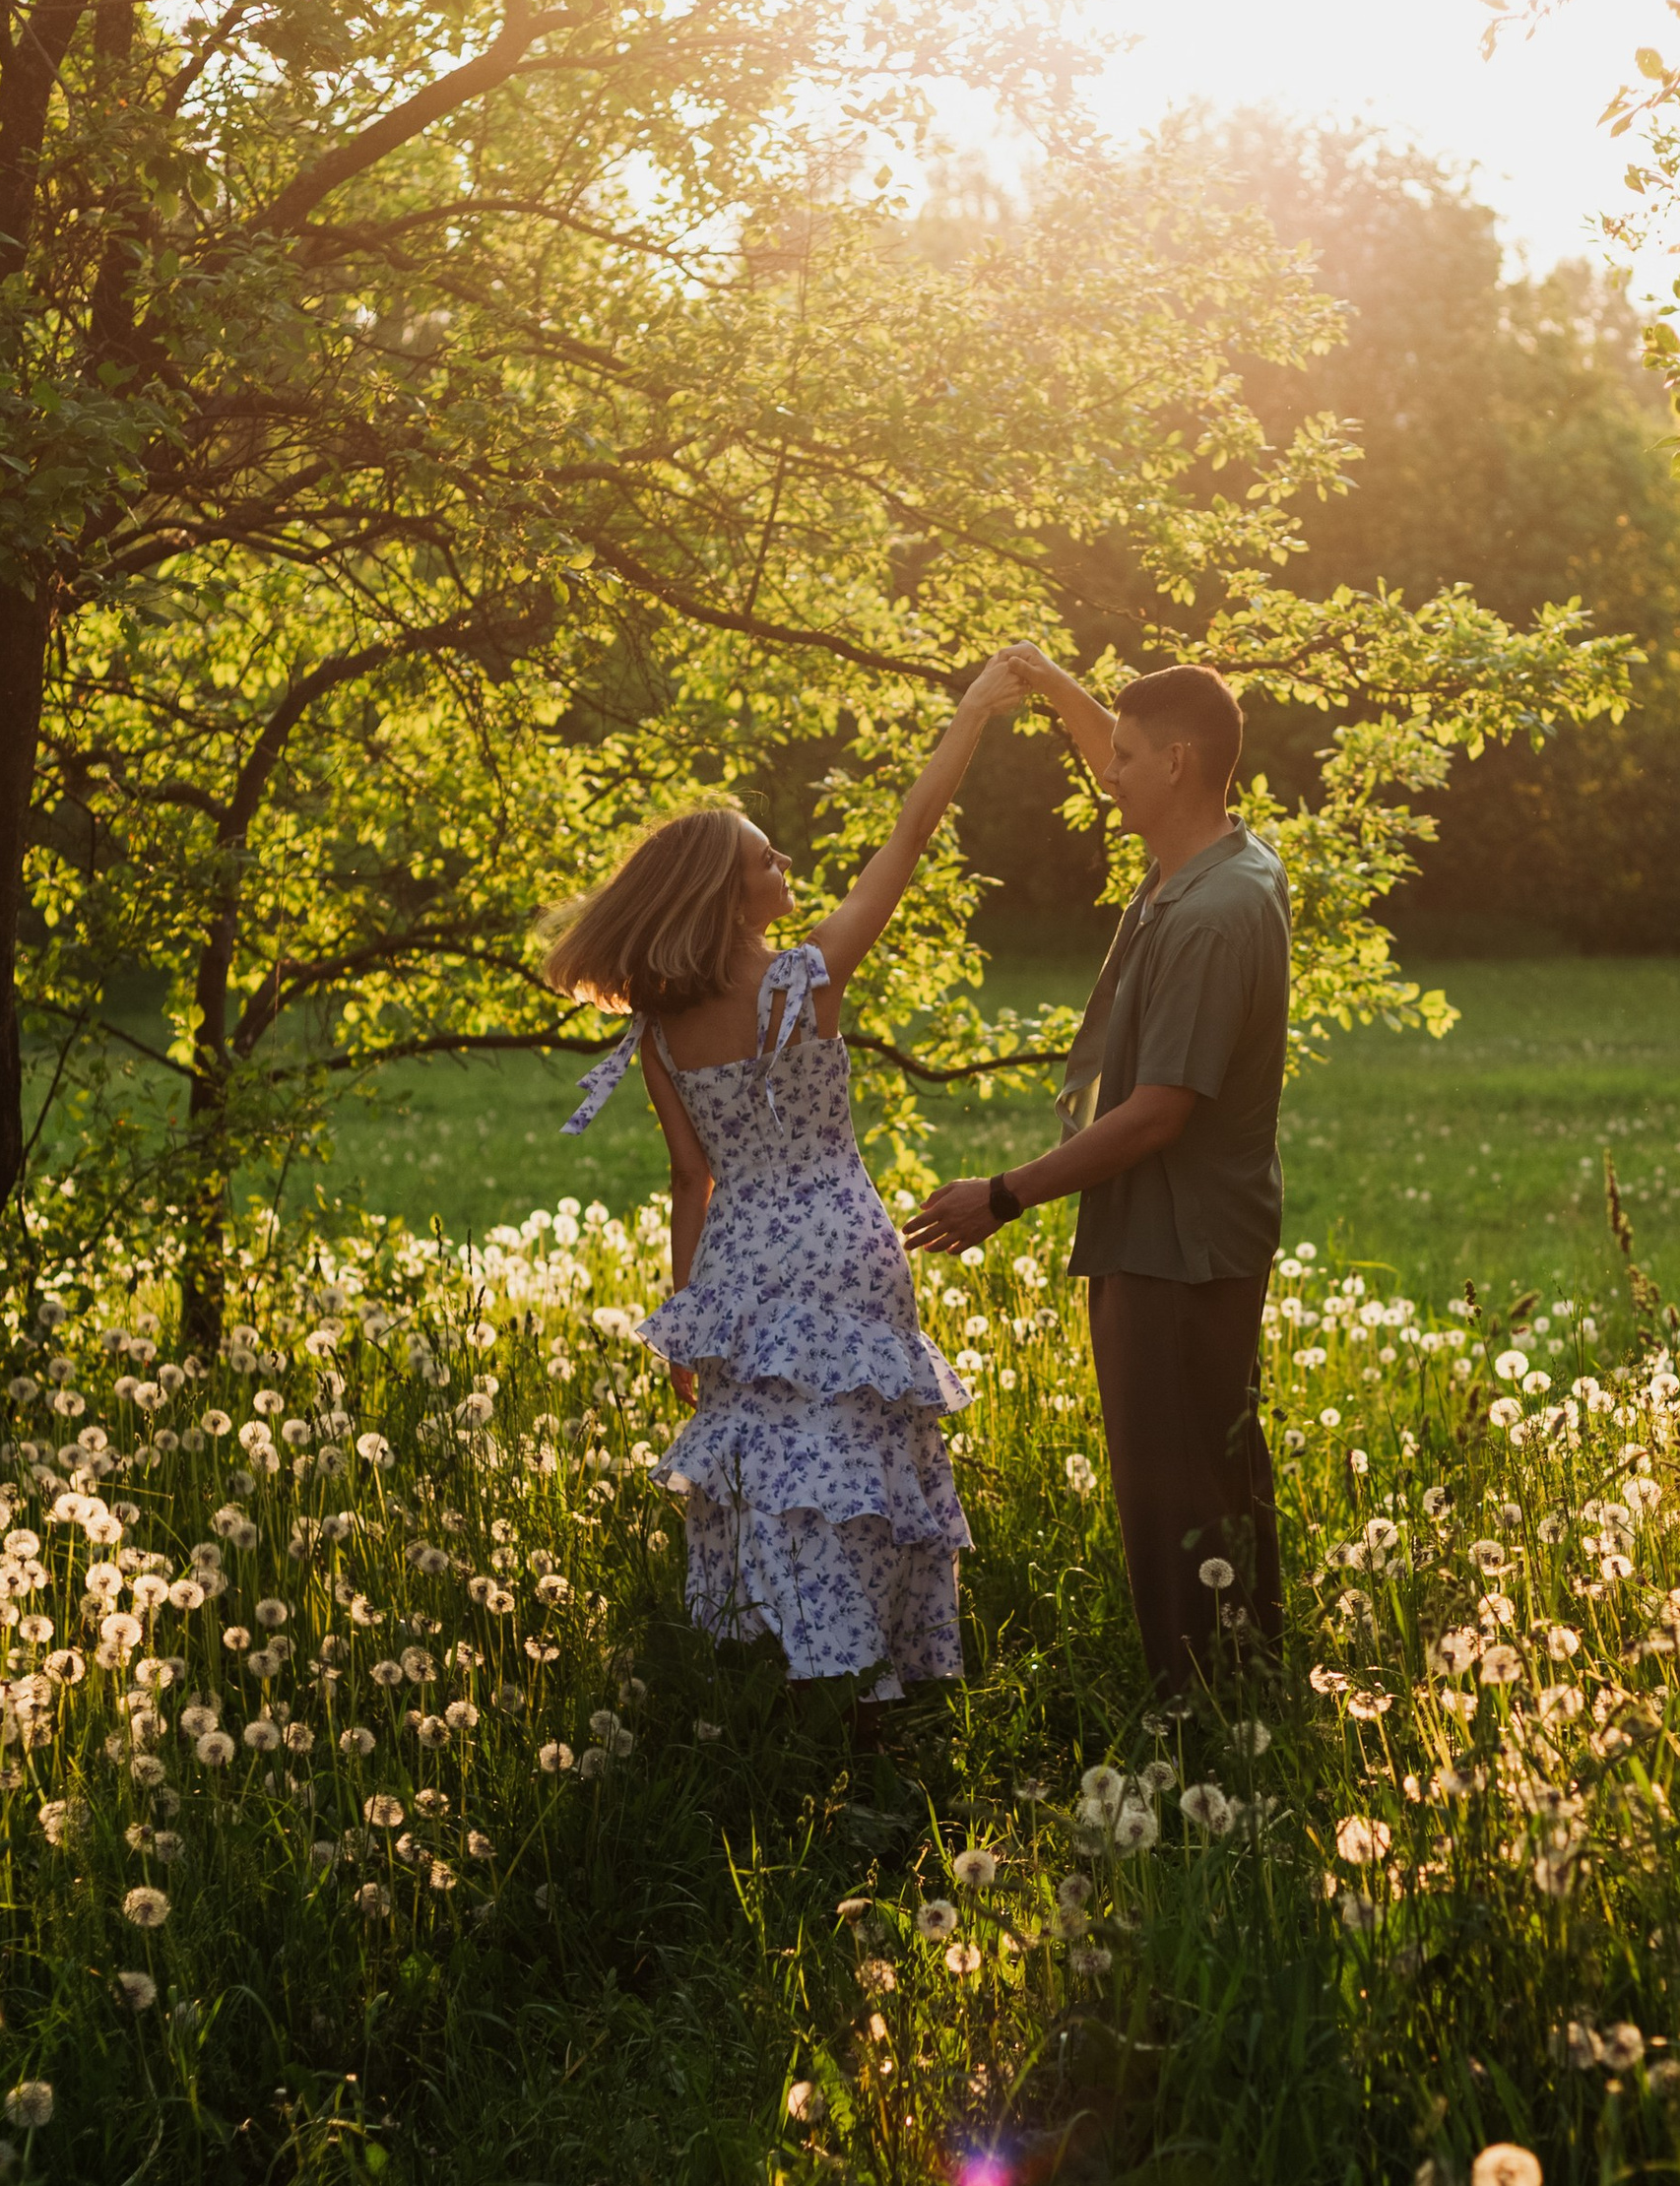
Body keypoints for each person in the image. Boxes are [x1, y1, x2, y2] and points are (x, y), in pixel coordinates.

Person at [544, 655, 1030, 1704]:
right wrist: (971, 716)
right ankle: (874, 1676)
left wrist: (689, 1319)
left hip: (741, 1264)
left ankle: (781, 1661)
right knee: (863, 1447)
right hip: (845, 1242)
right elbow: (908, 838)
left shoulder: (658, 1030)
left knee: (764, 1463)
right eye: (767, 860)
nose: (786, 865)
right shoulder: (808, 977)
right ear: (730, 898)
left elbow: (690, 1180)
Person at [905, 657, 1289, 1693]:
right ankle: (1249, 1682)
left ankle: (1197, 1708)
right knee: (1217, 1471)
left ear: (1177, 763)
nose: (1105, 774)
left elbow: (1158, 1112)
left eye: (1124, 758)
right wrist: (1051, 685)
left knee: (1175, 1498)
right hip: (1189, 1232)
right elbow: (1126, 757)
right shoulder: (1221, 859)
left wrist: (1000, 1197)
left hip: (1173, 1244)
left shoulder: (1209, 916)